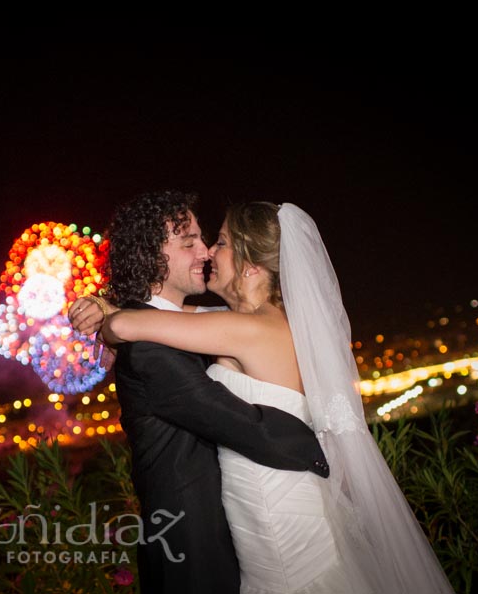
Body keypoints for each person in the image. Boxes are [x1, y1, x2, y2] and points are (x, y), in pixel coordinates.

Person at [84, 201, 454, 593]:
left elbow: (127, 323)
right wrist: (106, 304)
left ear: (249, 265)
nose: (210, 251)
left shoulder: (247, 330)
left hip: (277, 523)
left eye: (221, 242)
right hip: (270, 513)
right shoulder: (264, 321)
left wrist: (110, 318)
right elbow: (182, 318)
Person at [67, 191, 329, 594]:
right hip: (190, 543)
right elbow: (234, 420)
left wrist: (111, 312)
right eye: (189, 242)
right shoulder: (149, 347)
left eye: (210, 240)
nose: (205, 251)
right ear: (151, 254)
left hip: (254, 522)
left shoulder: (195, 326)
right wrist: (322, 447)